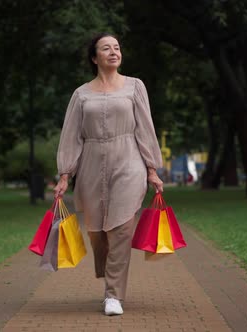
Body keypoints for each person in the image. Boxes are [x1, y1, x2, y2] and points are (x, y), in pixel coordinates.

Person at [53, 33, 164, 316]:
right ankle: (107, 270)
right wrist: (65, 174)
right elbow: (71, 136)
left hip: (129, 161)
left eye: (117, 47)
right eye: (106, 48)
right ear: (95, 57)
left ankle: (113, 295)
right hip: (90, 163)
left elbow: (145, 128)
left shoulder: (135, 87)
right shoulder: (81, 94)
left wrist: (152, 169)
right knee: (96, 229)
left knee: (121, 229)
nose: (114, 52)